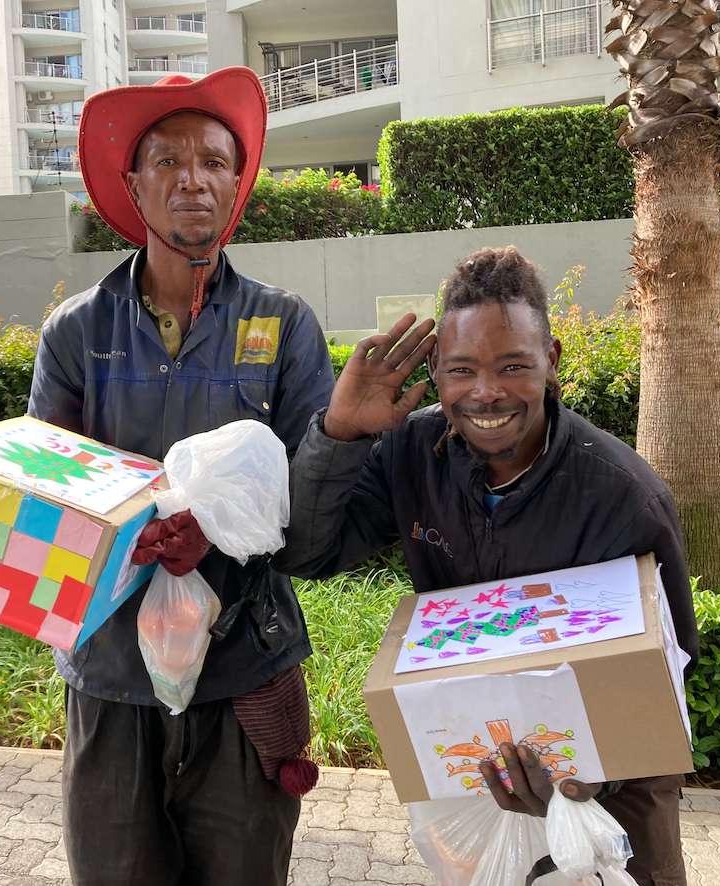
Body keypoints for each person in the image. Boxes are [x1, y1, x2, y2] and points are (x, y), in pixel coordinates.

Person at [276, 246, 698, 886]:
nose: (486, 392)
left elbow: (665, 671)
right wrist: (339, 433)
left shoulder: (620, 494)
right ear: (438, 376)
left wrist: (580, 776)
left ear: (551, 363)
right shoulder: (414, 453)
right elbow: (309, 553)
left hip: (612, 801)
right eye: (461, 370)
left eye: (513, 366)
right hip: (478, 776)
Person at [27, 67, 334, 886]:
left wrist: (221, 528)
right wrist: (135, 530)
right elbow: (45, 485)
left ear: (237, 182)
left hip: (244, 665)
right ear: (132, 186)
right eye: (166, 161)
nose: (191, 179)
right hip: (110, 673)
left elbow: (315, 487)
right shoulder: (75, 332)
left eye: (212, 161)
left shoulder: (284, 322)